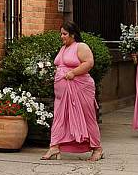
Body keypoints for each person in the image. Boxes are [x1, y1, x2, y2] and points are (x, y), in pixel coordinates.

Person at [41, 21, 103, 161]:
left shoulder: (81, 47)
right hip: (62, 92)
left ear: (73, 35)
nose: (61, 36)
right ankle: (54, 146)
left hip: (80, 88)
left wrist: (73, 72)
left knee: (87, 117)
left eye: (64, 34)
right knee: (59, 117)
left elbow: (89, 63)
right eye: (61, 33)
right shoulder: (63, 48)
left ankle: (97, 148)